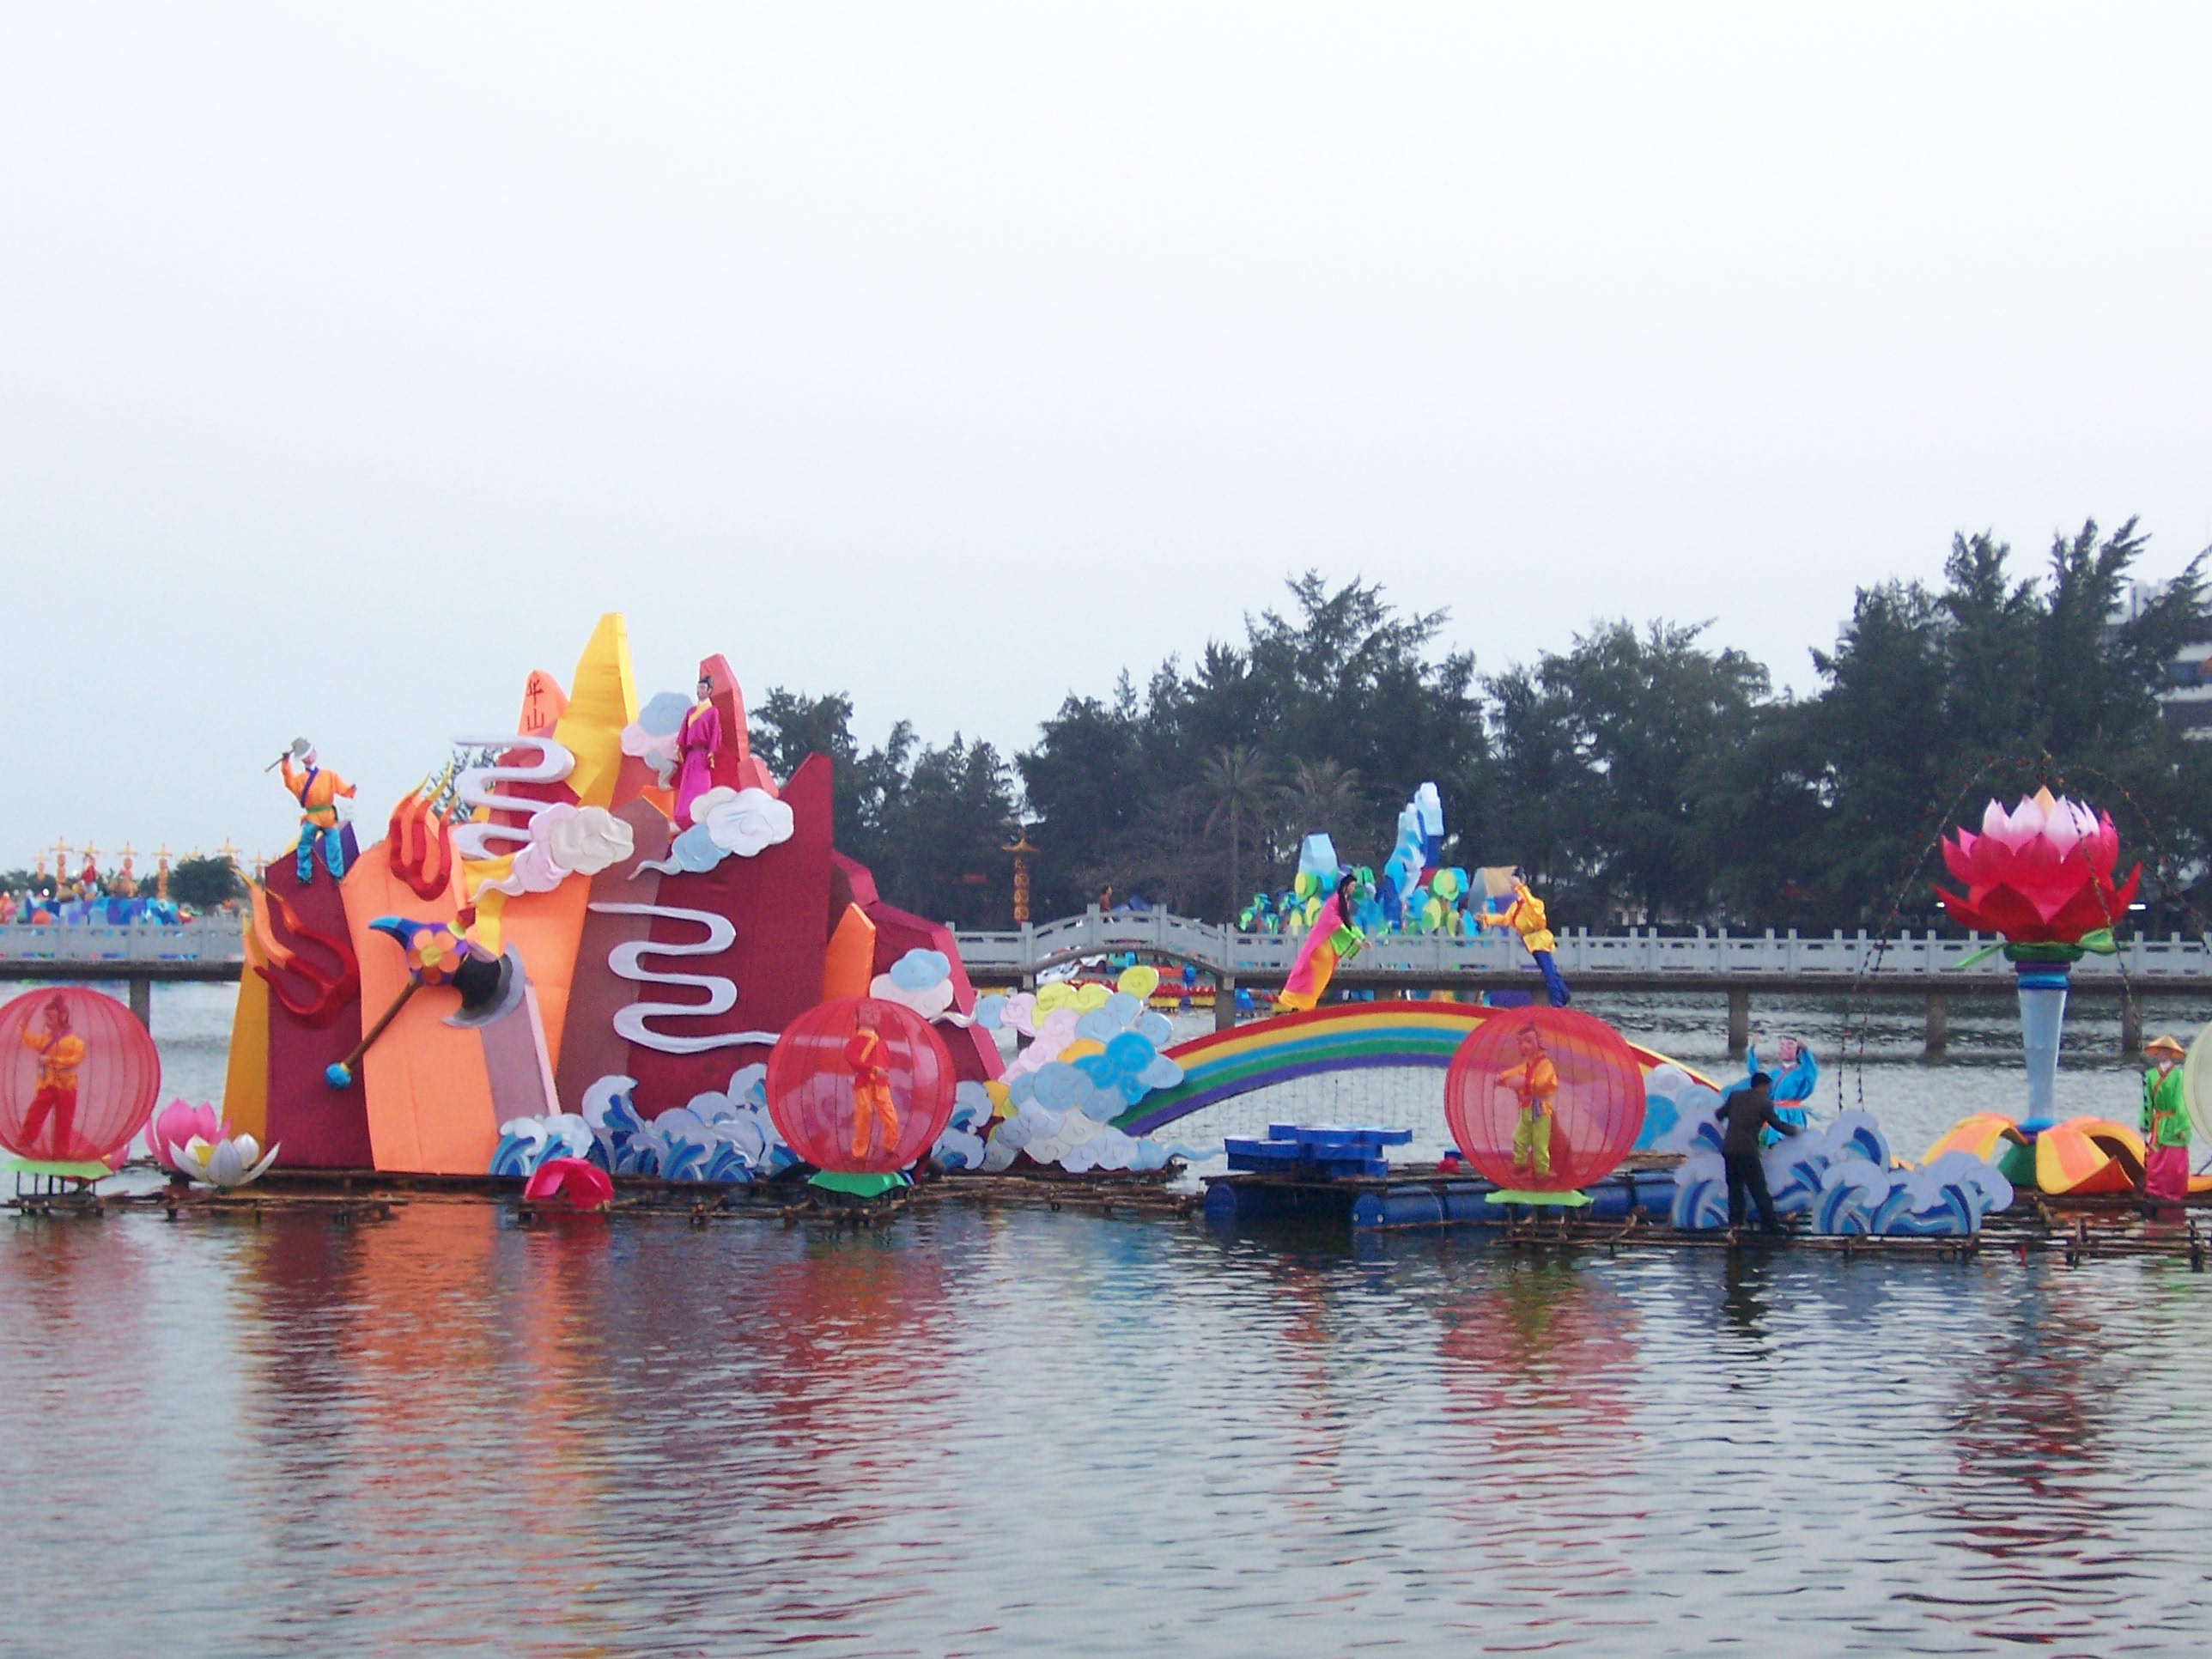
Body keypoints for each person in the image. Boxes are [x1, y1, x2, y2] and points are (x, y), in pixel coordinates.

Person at [1714, 1073, 1800, 1234]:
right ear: (1763, 1086)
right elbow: (1777, 1125)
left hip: (1730, 1150)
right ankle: (1770, 1225)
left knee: (1735, 1188)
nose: (1768, 1091)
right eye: (1768, 1087)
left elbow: (1719, 1115)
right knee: (1759, 1189)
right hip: (1747, 1151)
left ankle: (1735, 1224)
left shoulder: (1735, 1097)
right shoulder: (1764, 1103)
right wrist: (1795, 1131)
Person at [1479, 871, 1570, 1006]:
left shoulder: (1534, 902)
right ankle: (1564, 994)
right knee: (1549, 969)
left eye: (1513, 882)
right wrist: (1486, 916)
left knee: (1548, 971)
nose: (1511, 886)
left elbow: (1532, 904)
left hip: (1540, 939)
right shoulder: (1515, 906)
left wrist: (1520, 887)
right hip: (1531, 941)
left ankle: (1557, 1000)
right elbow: (1505, 919)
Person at [280, 743, 357, 884]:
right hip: (312, 816)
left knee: (334, 846)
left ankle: (337, 874)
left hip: (328, 816)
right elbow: (289, 782)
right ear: (302, 759)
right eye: (306, 756)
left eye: (311, 753)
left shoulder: (329, 775)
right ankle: (304, 875)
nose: (309, 757)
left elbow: (342, 788)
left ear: (315, 753)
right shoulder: (300, 779)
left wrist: (349, 790)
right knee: (304, 845)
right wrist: (286, 764)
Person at [20, 994, 86, 1152]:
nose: (47, 1022)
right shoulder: (44, 1039)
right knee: (35, 1113)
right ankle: (26, 1139)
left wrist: (51, 1060)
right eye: (46, 1017)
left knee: (64, 1121)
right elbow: (29, 1040)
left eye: (51, 1018)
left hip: (67, 1086)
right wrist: (24, 1024)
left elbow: (74, 1060)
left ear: (62, 1017)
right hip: (47, 1084)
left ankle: (61, 1152)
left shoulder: (75, 1043)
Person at [1501, 1021, 1559, 1182]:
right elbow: (1515, 1072)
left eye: (1528, 1041)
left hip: (1541, 1110)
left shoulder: (1546, 1065)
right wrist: (1502, 1077)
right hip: (1526, 1109)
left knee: (1539, 1144)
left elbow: (1542, 1083)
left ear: (1539, 1043)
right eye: (1521, 1043)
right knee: (1518, 1138)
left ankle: (1542, 1174)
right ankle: (1521, 1164)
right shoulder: (1527, 1065)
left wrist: (1524, 1082)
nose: (1524, 1046)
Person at [2141, 1034, 2191, 1203]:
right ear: (2157, 1053)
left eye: (2166, 1051)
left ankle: (2173, 1192)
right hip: (2159, 1121)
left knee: (2174, 1161)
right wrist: (2145, 1122)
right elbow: (2147, 1101)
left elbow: (2181, 1101)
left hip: (2173, 1120)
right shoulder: (2150, 1075)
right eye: (2161, 1051)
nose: (2163, 1054)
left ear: (2171, 1053)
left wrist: (2181, 1126)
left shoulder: (2178, 1075)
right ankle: (2155, 1190)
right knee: (2155, 1158)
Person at [674, 675, 721, 830]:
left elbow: (715, 734)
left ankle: (700, 815)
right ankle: (684, 816)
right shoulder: (691, 712)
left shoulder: (712, 711)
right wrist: (680, 748)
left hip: (703, 756)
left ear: (709, 690)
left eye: (703, 688)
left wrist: (711, 752)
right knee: (687, 788)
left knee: (700, 787)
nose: (700, 691)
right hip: (690, 756)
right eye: (698, 687)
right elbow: (683, 733)